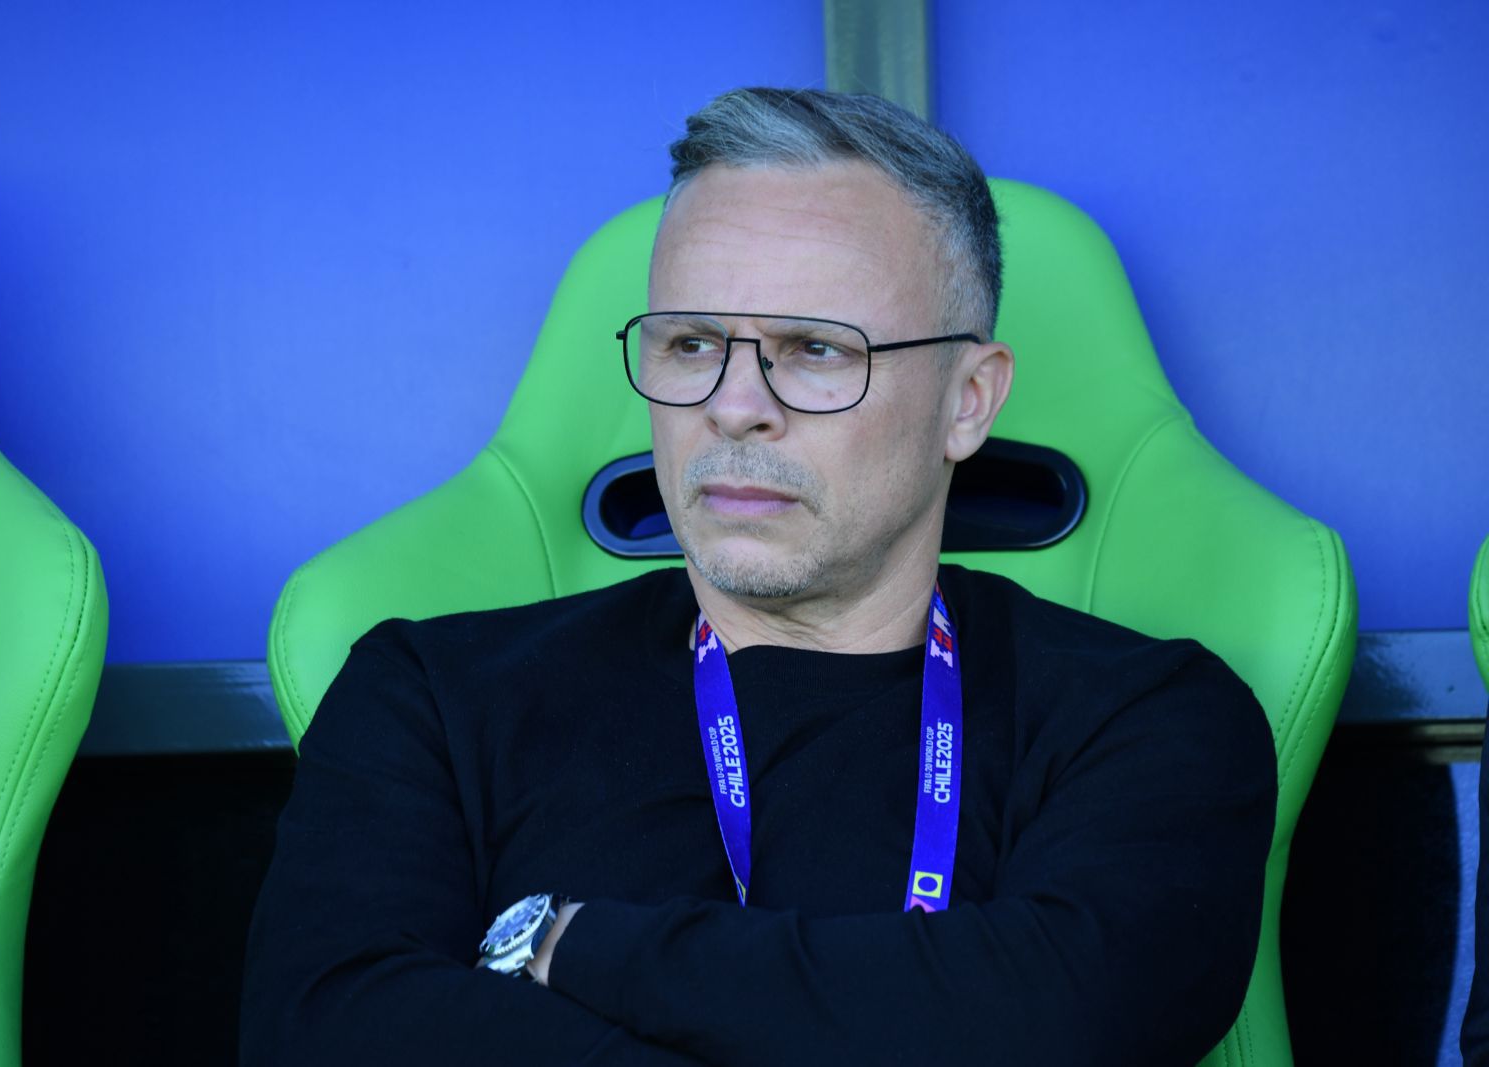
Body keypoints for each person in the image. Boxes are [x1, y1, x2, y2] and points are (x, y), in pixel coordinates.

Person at [240, 87, 1277, 1066]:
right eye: (692, 342)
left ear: (967, 399)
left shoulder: (1149, 715)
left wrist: (568, 943)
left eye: (816, 349)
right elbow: (324, 1030)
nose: (734, 405)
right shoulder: (431, 695)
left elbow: (1059, 1016)